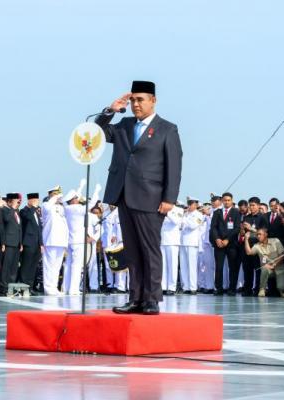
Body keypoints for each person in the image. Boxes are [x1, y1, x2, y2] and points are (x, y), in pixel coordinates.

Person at [95, 80, 182, 315]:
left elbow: (174, 166)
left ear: (153, 100)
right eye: (133, 100)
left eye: (140, 99)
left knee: (149, 248)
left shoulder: (167, 129)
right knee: (132, 250)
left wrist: (169, 198)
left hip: (151, 198)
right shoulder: (124, 125)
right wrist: (110, 110)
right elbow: (99, 132)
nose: (135, 104)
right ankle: (135, 298)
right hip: (124, 195)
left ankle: (152, 299)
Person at [63, 180, 101, 295]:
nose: (78, 198)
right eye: (76, 197)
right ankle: (73, 289)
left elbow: (75, 197)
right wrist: (97, 191)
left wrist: (80, 186)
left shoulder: (67, 208)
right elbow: (92, 203)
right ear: (73, 200)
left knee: (69, 265)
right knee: (76, 266)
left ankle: (66, 287)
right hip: (79, 242)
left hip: (71, 241)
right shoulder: (77, 209)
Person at [210, 192, 241, 296]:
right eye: (225, 200)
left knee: (232, 267)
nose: (227, 202)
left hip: (231, 244)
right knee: (219, 267)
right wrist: (217, 239)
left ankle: (232, 289)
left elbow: (237, 228)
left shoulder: (236, 212)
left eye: (229, 200)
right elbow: (213, 228)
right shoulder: (217, 212)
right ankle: (218, 288)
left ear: (232, 201)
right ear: (222, 201)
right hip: (219, 244)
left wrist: (227, 239)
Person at [41, 185, 68, 295]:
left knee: (57, 266)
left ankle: (54, 287)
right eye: (55, 194)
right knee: (49, 265)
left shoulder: (61, 207)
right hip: (50, 240)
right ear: (51, 195)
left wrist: (62, 200)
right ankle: (48, 288)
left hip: (61, 241)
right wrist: (55, 197)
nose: (58, 197)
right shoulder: (46, 205)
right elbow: (48, 206)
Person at [244, 228, 284, 297]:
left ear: (266, 234)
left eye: (260, 234)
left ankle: (282, 291)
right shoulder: (257, 245)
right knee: (264, 268)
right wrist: (246, 239)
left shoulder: (275, 241)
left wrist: (274, 265)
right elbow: (249, 252)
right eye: (257, 235)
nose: (258, 236)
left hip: (279, 268)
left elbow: (283, 256)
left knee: (281, 287)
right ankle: (262, 289)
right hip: (268, 270)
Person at [241, 196, 267, 296]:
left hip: (258, 246)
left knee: (258, 269)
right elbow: (243, 232)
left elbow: (263, 233)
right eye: (250, 205)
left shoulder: (263, 218)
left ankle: (257, 289)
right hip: (247, 246)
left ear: (258, 205)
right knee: (247, 269)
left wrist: (251, 228)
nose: (251, 207)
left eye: (253, 205)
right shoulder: (246, 217)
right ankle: (247, 289)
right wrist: (242, 231)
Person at [19, 193, 43, 294]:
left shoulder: (37, 213)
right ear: (29, 200)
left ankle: (30, 287)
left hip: (37, 243)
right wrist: (33, 207)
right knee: (26, 266)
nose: (36, 202)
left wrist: (41, 244)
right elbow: (27, 218)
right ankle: (23, 287)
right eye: (34, 200)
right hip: (28, 243)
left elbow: (39, 229)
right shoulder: (24, 211)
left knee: (33, 267)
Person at [0, 193, 23, 295]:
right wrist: (12, 208)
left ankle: (11, 286)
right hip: (8, 243)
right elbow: (6, 219)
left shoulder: (17, 211)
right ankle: (4, 287)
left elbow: (19, 228)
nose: (17, 202)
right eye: (15, 200)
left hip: (17, 243)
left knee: (14, 267)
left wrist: (20, 242)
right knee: (6, 266)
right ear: (9, 201)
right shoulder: (5, 210)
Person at [180, 197, 203, 294]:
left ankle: (193, 287)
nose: (189, 205)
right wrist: (184, 217)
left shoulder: (199, 215)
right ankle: (186, 287)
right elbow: (180, 226)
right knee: (184, 266)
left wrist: (184, 219)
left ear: (196, 205)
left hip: (192, 243)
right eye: (189, 203)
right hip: (183, 242)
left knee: (192, 266)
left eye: (192, 203)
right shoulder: (185, 214)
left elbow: (193, 226)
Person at [160, 200, 183, 295]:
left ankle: (172, 287)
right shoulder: (160, 209)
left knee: (172, 265)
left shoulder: (178, 210)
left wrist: (167, 213)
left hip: (173, 241)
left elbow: (177, 221)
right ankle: (163, 286)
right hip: (162, 240)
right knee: (163, 266)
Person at [198, 202, 215, 294]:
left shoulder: (215, 213)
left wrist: (209, 213)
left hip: (215, 242)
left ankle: (218, 286)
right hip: (206, 242)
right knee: (208, 265)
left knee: (216, 266)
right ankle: (209, 286)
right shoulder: (205, 216)